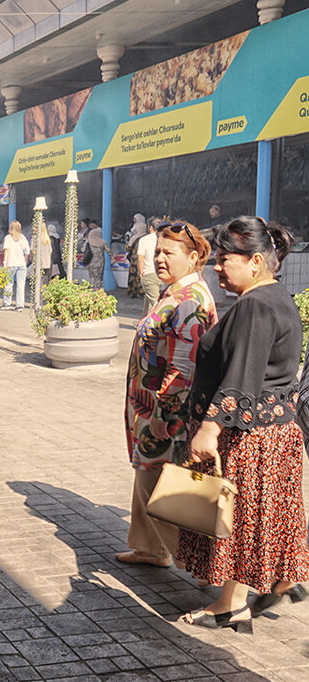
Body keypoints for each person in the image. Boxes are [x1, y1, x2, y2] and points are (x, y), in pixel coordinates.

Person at [179, 217, 307, 631]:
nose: (216, 268)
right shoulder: (276, 297)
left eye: (224, 259)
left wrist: (209, 428)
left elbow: (242, 376)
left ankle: (231, 605)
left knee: (238, 519)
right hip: (273, 431)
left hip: (252, 436)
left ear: (255, 261)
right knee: (270, 514)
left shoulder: (255, 305)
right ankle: (285, 579)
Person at [117, 221, 217, 569]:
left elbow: (182, 365)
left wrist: (163, 413)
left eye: (168, 252)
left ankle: (199, 564)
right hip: (150, 409)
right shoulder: (175, 292)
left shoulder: (188, 300)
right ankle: (148, 547)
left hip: (164, 414)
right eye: (157, 251)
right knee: (146, 472)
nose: (159, 258)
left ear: (193, 258)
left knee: (157, 484)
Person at [1, 220, 30, 310]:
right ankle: (20, 305)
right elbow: (27, 251)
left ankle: (7, 303)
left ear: (11, 228)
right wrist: (25, 261)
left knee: (8, 284)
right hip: (21, 264)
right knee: (21, 285)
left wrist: (5, 262)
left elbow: (7, 250)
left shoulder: (8, 238)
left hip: (11, 263)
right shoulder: (23, 238)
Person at [136, 219, 161, 313]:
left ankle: (153, 325)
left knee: (154, 303)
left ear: (150, 227)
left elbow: (140, 259)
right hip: (161, 273)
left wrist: (141, 273)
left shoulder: (144, 240)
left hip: (149, 273)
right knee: (148, 301)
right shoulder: (164, 239)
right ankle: (143, 322)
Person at [85, 219, 109, 290]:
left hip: (91, 262)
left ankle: (92, 288)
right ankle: (98, 289)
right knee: (99, 276)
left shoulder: (89, 242)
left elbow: (83, 249)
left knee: (92, 276)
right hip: (100, 262)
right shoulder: (102, 242)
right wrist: (112, 258)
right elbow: (109, 251)